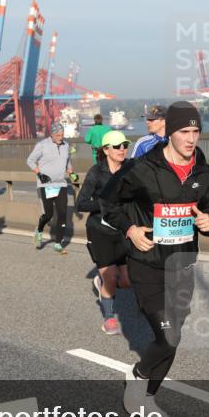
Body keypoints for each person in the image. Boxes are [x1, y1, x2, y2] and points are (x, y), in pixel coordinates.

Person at [100, 101, 209, 417]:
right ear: (171, 132)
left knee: (175, 337)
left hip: (182, 264)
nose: (191, 138)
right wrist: (129, 229)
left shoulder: (205, 173)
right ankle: (138, 376)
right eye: (184, 131)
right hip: (147, 262)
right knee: (167, 336)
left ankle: (149, 397)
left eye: (196, 131)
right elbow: (108, 203)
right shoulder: (142, 169)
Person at [76, 130, 133, 335]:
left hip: (123, 229)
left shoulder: (130, 168)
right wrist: (104, 204)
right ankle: (108, 318)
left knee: (126, 281)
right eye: (117, 146)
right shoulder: (96, 172)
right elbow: (80, 203)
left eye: (124, 145)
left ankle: (101, 282)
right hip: (100, 230)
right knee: (111, 277)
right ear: (106, 150)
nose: (122, 150)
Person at [27, 122, 74, 254]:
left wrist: (71, 171)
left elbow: (68, 161)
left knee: (63, 213)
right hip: (47, 184)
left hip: (61, 184)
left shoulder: (66, 145)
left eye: (62, 135)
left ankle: (58, 243)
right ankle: (39, 230)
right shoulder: (42, 145)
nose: (61, 137)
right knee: (48, 214)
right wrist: (39, 174)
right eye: (58, 135)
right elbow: (30, 160)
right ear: (51, 134)